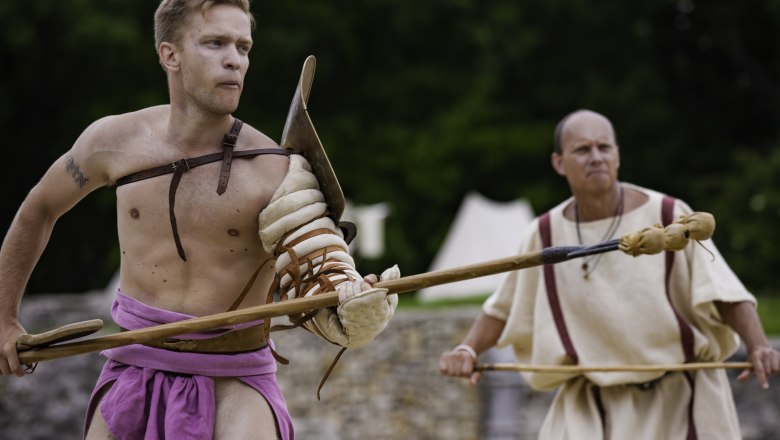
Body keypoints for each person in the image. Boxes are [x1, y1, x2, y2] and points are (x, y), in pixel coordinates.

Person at [0, 1, 399, 439]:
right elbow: (39, 208)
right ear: (170, 55)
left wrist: (354, 301)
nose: (235, 59)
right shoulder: (110, 142)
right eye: (215, 43)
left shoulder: (278, 173)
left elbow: (323, 275)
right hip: (131, 372)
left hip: (235, 381)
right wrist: (4, 317)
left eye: (243, 47)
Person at [439, 109, 780, 439]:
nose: (596, 157)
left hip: (683, 398)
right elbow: (503, 308)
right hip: (591, 405)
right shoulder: (543, 234)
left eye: (604, 147)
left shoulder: (669, 215)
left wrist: (759, 345)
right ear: (559, 163)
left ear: (617, 155)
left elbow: (723, 292)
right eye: (582, 149)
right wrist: (467, 350)